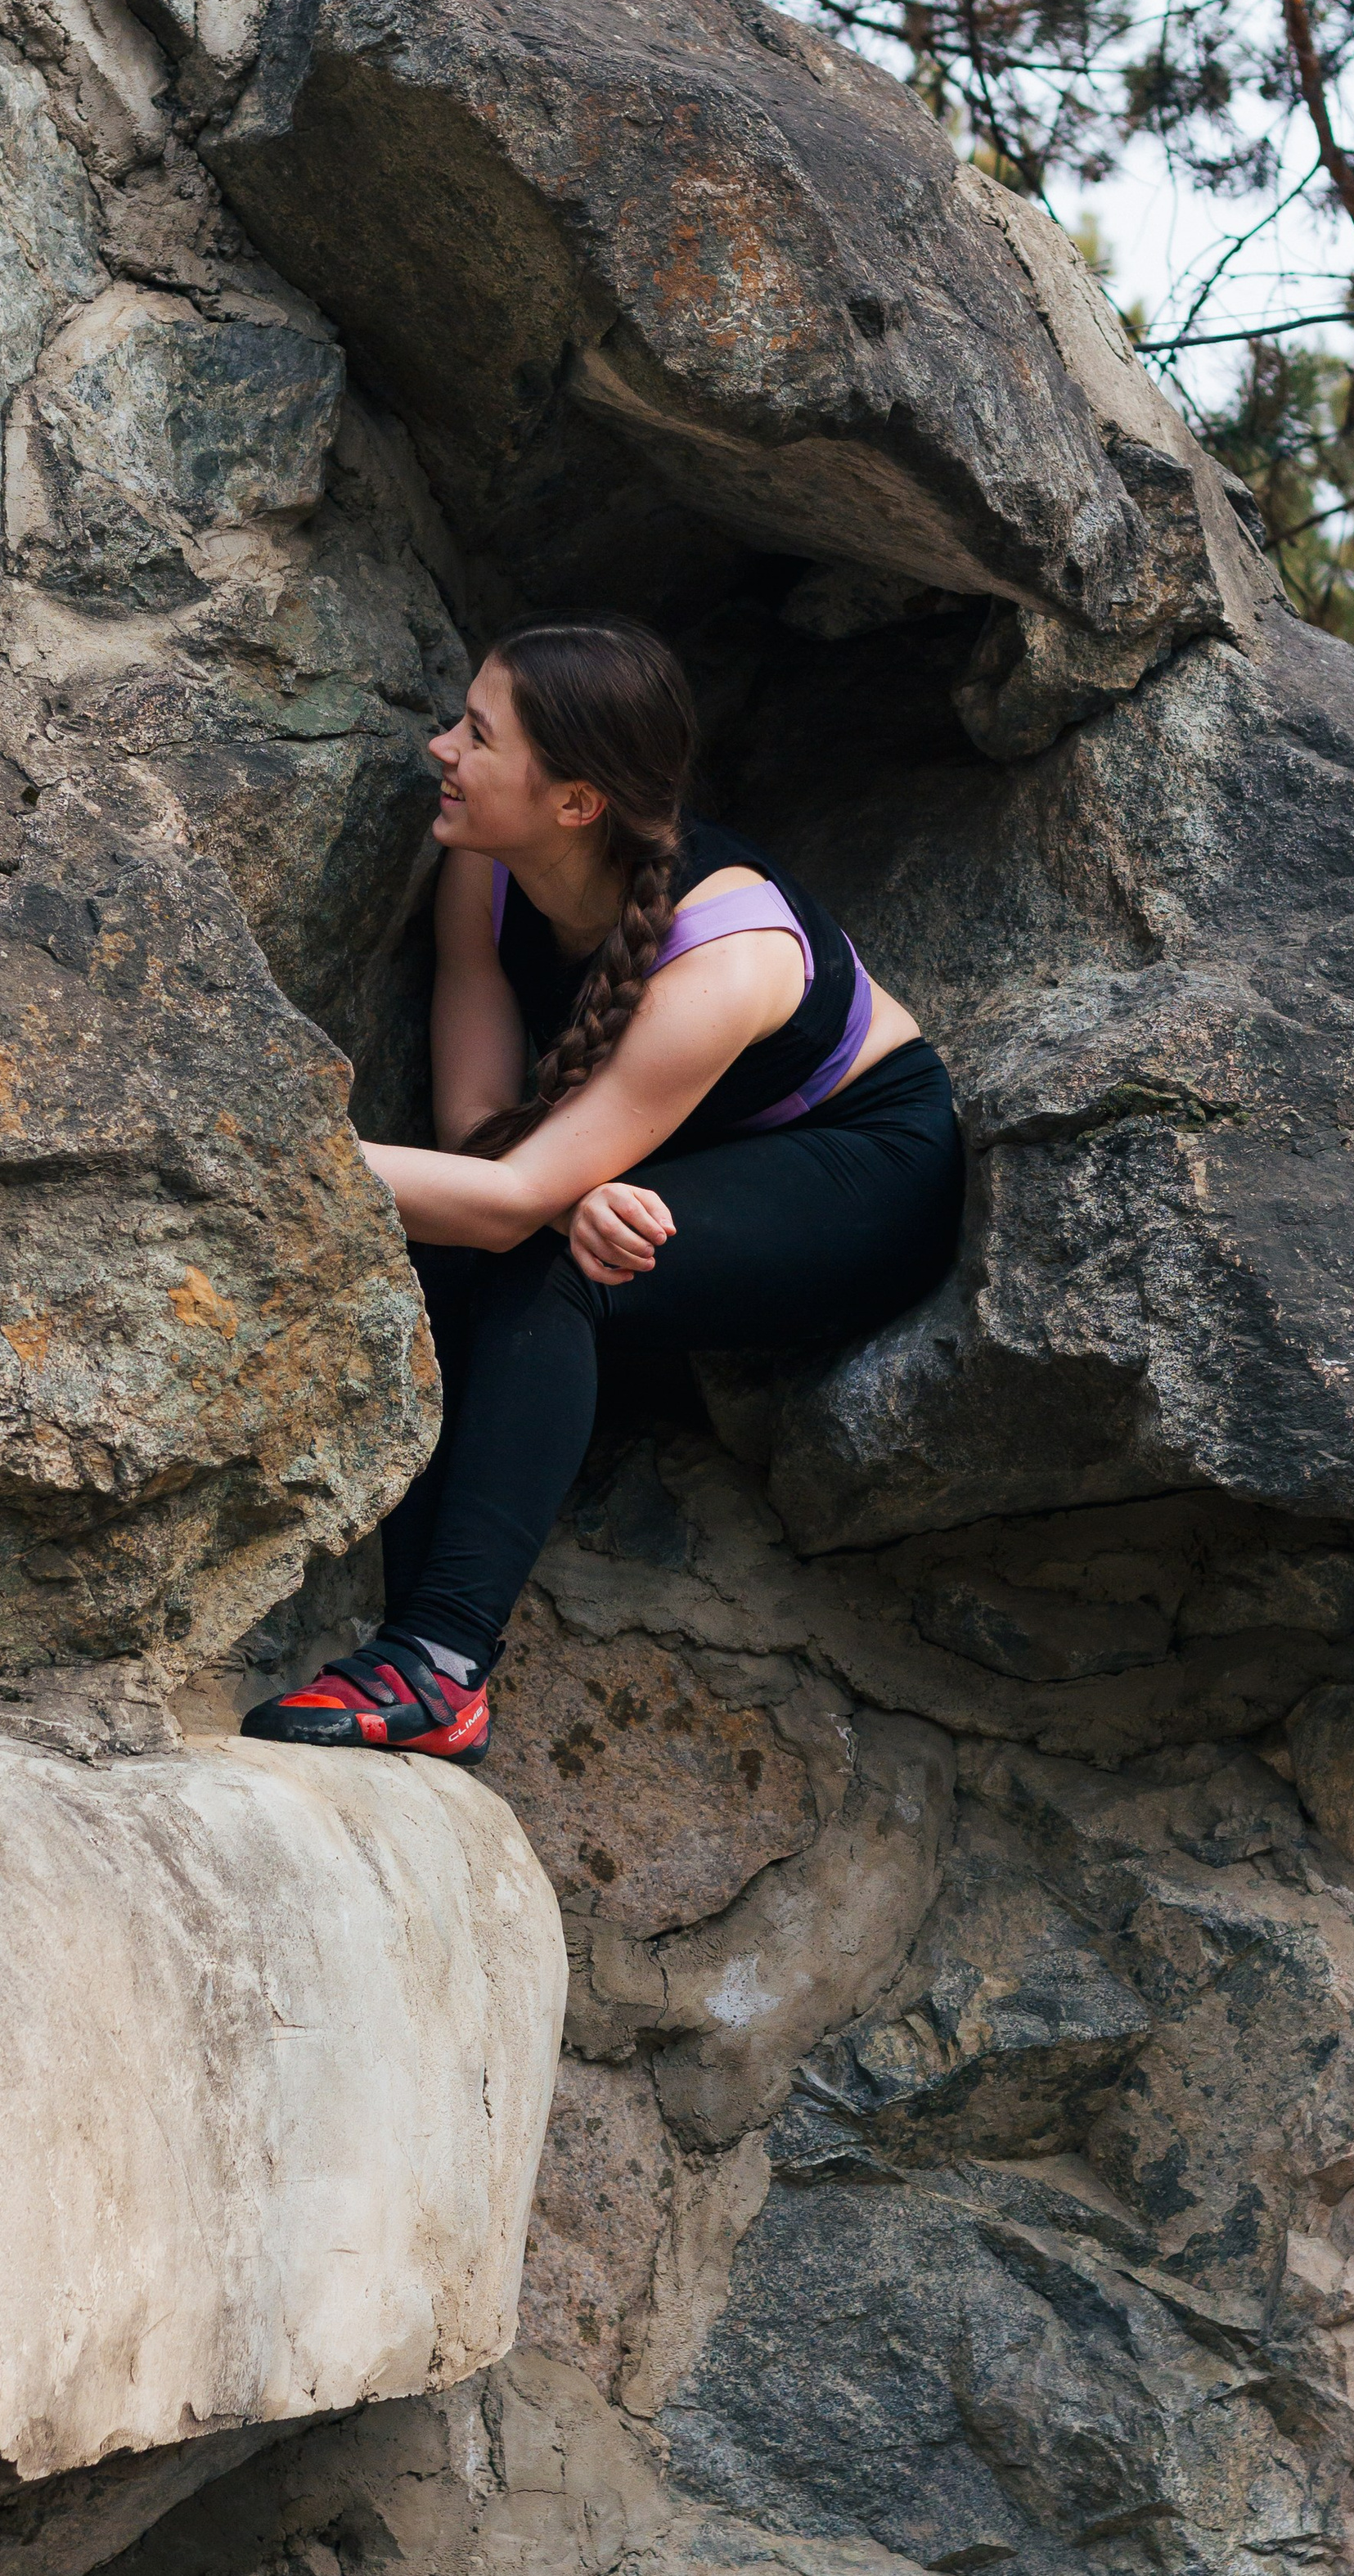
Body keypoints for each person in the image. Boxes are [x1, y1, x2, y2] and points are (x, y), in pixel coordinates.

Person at [241, 615, 964, 1765]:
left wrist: (246, 1146)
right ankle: (402, 1647)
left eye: (477, 735)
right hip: (650, 1154)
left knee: (560, 1269)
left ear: (576, 803)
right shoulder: (481, 869)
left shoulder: (729, 955)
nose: (440, 748)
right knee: (446, 1241)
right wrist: (554, 1188)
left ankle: (441, 1665)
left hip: (862, 1169)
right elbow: (477, 1143)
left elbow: (508, 1196)